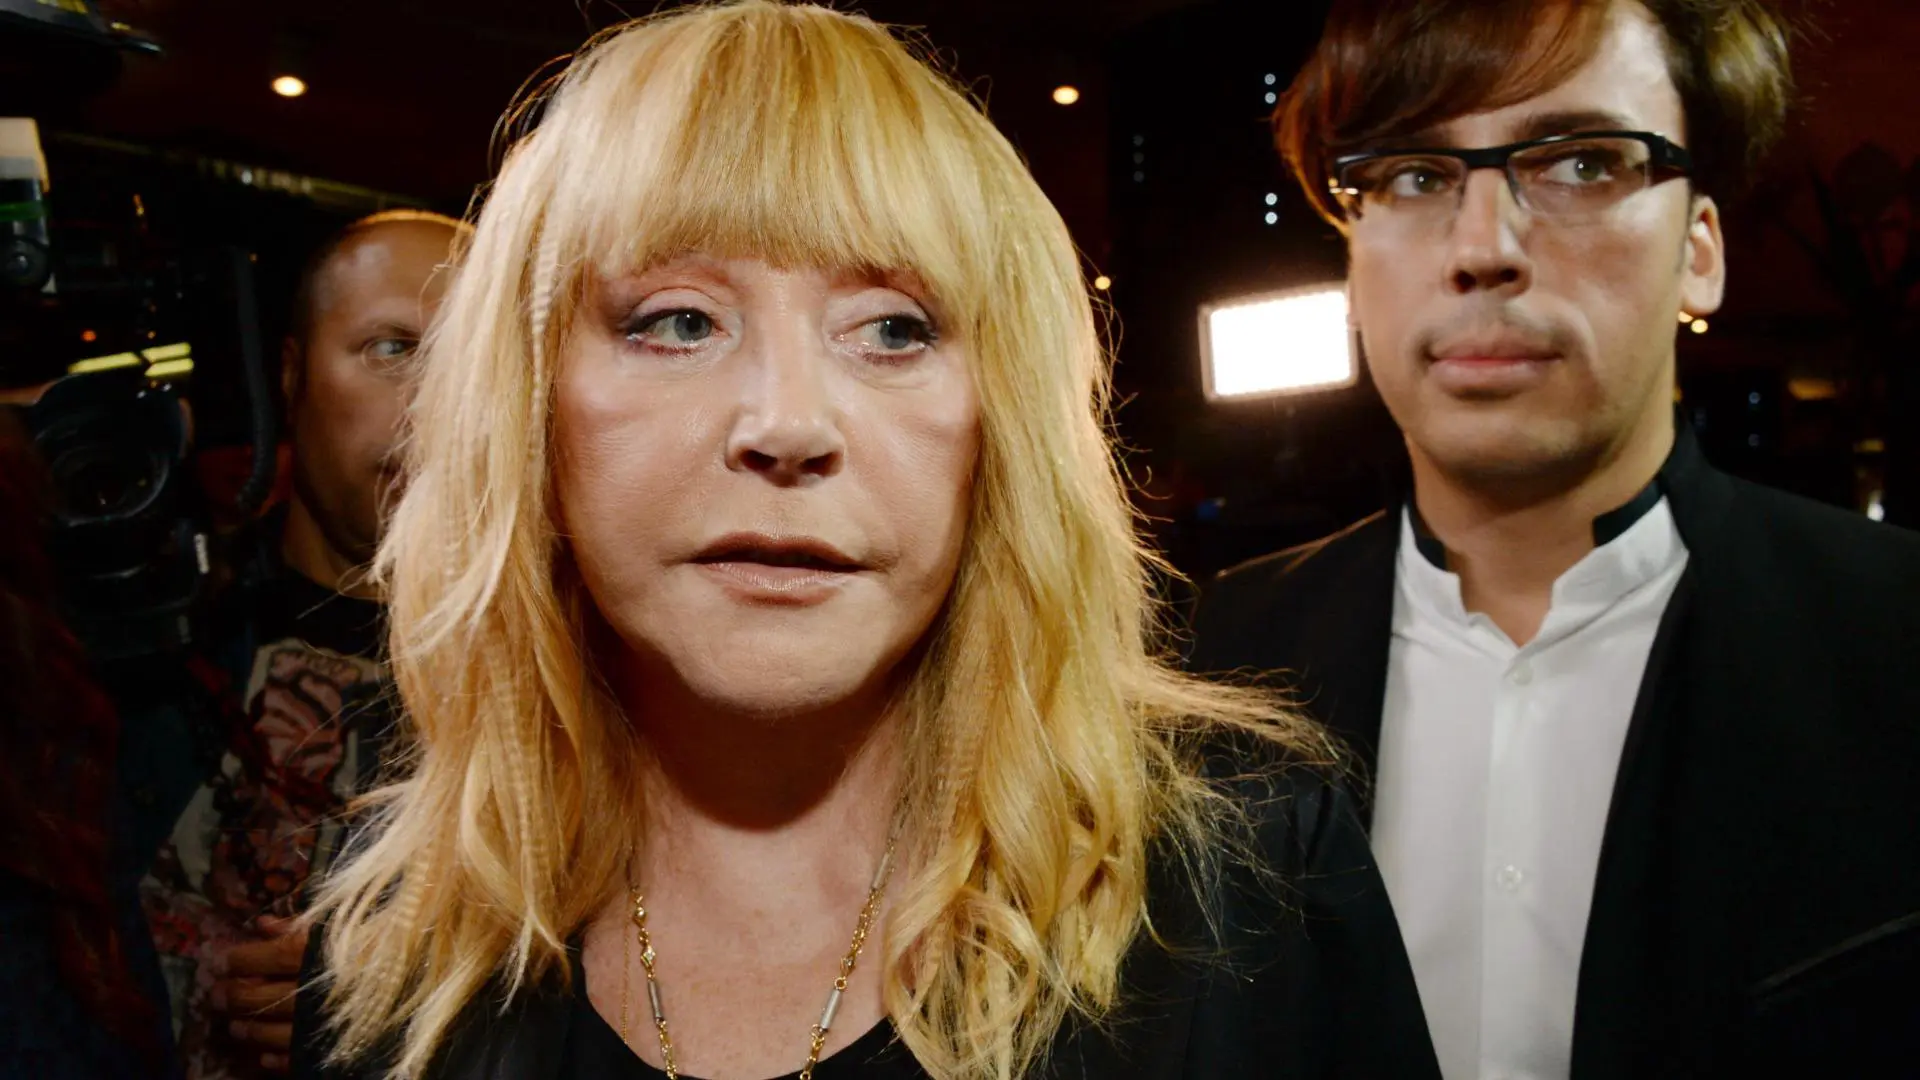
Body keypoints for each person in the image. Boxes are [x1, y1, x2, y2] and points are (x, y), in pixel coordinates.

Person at [289, 4, 1441, 1079]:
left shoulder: (1247, 879)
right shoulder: (392, 939)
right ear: (531, 409)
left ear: (999, 426)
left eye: (892, 330)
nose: (788, 424)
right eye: (678, 321)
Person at [1188, 1, 1920, 1077]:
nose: (1482, 248)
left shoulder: (1894, 635)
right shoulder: (1210, 666)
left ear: (1700, 250)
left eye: (1582, 163)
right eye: (1414, 176)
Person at [138, 209, 465, 1079]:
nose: (437, 400)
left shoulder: (579, 686)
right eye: (392, 348)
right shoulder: (160, 652)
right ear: (290, 376)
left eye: (474, 361)